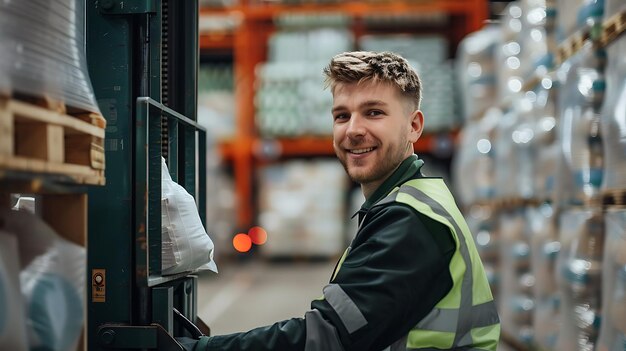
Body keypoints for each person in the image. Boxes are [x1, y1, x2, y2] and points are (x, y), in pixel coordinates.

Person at [180, 51, 500, 350]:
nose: (353, 130)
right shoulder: (406, 201)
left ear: (414, 126)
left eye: (374, 113)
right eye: (342, 116)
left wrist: (205, 348)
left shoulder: (410, 220)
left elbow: (329, 336)